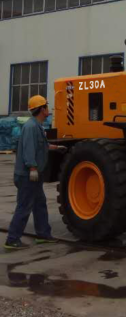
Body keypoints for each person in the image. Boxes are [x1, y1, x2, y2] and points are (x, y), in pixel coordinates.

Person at [4, 95, 67, 250]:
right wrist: (32, 168)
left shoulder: (38, 126)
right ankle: (12, 239)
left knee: (39, 204)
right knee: (24, 206)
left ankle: (43, 235)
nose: (48, 109)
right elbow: (29, 150)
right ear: (41, 109)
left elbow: (42, 145)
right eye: (46, 106)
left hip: (34, 175)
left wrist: (56, 148)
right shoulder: (31, 127)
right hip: (27, 176)